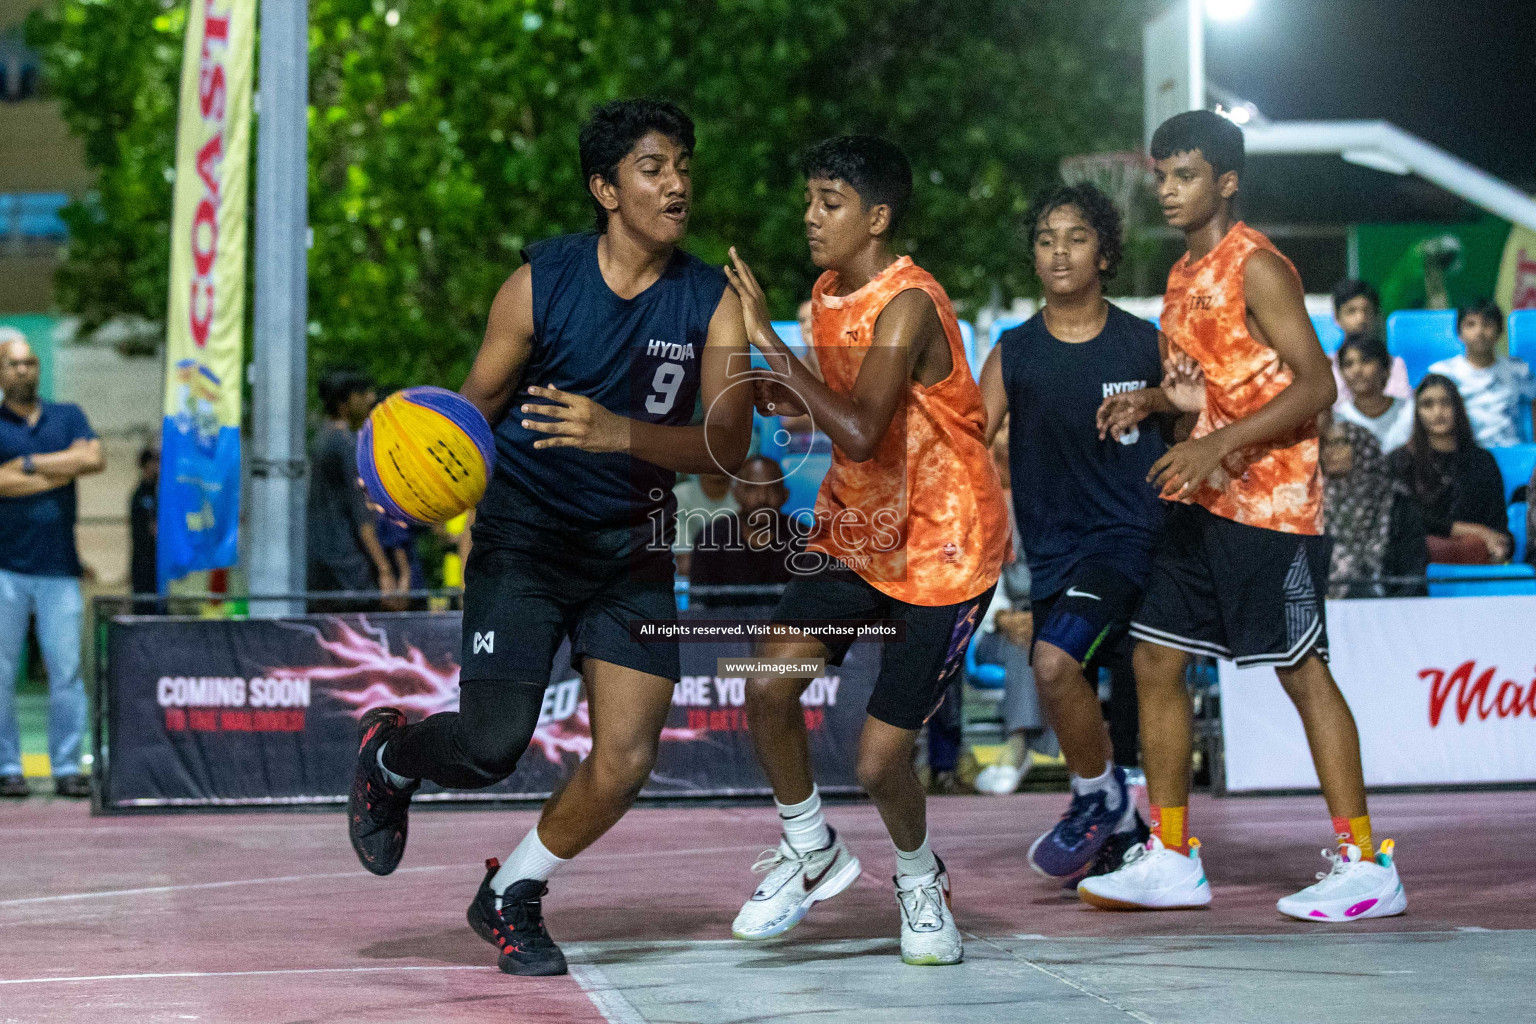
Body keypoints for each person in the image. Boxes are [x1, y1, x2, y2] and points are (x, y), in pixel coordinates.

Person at [346, 99, 753, 978]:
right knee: (492, 747)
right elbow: (466, 418)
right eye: (653, 167)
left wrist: (618, 433)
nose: (676, 182)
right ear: (607, 188)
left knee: (626, 759)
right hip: (524, 542)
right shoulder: (541, 283)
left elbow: (726, 454)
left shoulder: (711, 302)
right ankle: (392, 753)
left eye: (682, 164)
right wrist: (406, 490)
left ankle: (513, 893)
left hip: (632, 551)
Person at [1080, 111, 1407, 922]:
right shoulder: (1186, 277)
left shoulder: (1257, 265)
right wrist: (1153, 401)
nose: (1166, 189)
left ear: (1225, 181)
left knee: (1302, 672)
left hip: (1271, 506)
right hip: (1202, 497)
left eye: (1183, 175)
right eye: (1160, 175)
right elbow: (1208, 387)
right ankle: (1173, 855)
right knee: (1155, 660)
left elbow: (1315, 385)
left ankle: (1367, 863)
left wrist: (1213, 441)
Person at [723, 136, 1011, 966]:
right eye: (810, 199)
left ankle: (921, 878)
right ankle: (810, 845)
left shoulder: (908, 304)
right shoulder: (824, 297)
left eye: (830, 202)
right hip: (859, 528)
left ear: (876, 217)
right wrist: (775, 386)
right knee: (768, 682)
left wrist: (771, 351)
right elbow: (829, 417)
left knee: (881, 760)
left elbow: (859, 425)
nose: (811, 217)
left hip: (945, 547)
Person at [979, 181, 1195, 880]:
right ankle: (1120, 829)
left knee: (1053, 664)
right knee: (1067, 683)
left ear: (1104, 252)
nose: (1059, 253)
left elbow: (1197, 420)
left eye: (1075, 238)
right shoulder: (1013, 353)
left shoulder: (1143, 341)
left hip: (1128, 545)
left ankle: (1096, 799)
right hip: (1051, 555)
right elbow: (965, 441)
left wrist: (1159, 398)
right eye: (1045, 241)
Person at [0, 338, 104, 799]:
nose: (23, 370)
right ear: (1, 372)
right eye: (13, 363)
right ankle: (7, 767)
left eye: (30, 362)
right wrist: (62, 470)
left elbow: (95, 459)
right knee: (1, 674)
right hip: (5, 568)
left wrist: (26, 464)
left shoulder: (69, 415)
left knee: (66, 673)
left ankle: (65, 766)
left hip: (60, 567)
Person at [1387, 374, 1511, 565]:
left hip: (1479, 550)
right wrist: (1476, 531)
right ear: (1417, 412)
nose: (1438, 412)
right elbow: (1411, 518)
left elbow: (1497, 523)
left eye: (1445, 403)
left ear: (1458, 408)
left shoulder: (1482, 461)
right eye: (1428, 405)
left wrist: (1499, 544)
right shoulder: (1401, 461)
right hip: (1419, 555)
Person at [307, 369, 396, 608]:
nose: (370, 399)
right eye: (362, 393)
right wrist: (385, 570)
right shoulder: (346, 445)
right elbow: (362, 515)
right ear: (343, 402)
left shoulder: (321, 440)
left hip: (320, 567)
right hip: (350, 570)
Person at [1322, 421, 1426, 597]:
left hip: (1389, 607)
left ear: (1364, 447)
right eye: (1325, 444)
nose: (1330, 451)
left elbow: (1412, 574)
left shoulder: (1395, 502)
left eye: (1340, 442)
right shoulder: (1310, 504)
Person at [1428, 299, 1536, 449]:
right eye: (1471, 325)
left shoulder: (1518, 370)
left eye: (1487, 324)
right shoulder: (1443, 373)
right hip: (1463, 454)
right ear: (1459, 333)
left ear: (1499, 332)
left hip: (1512, 451)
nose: (1479, 332)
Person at [688, 455, 796, 603]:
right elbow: (699, 607)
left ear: (785, 495)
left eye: (772, 488)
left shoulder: (805, 540)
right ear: (736, 493)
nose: (762, 498)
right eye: (752, 488)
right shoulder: (711, 538)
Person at [1328, 279, 1408, 410]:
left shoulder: (1395, 364)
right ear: (1336, 317)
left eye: (1367, 311)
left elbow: (1399, 406)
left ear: (1376, 315)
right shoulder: (1327, 366)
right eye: (1351, 311)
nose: (1361, 319)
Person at [1334, 334, 1414, 454]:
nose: (1357, 370)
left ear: (1384, 367)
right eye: (1348, 364)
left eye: (1366, 361)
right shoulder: (1339, 418)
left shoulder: (1409, 411)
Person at [129, 442, 160, 614]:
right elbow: (146, 532)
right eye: (155, 462)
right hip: (143, 566)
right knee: (144, 609)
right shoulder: (141, 495)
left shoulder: (155, 494)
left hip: (155, 565)